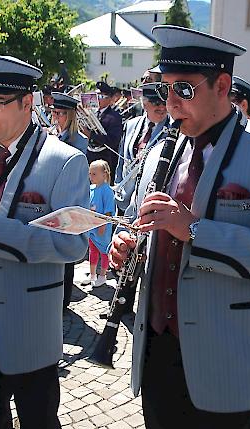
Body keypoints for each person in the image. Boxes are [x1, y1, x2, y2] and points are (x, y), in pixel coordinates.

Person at [109, 25, 250, 429]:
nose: (170, 104)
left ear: (222, 85)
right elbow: (144, 225)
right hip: (158, 351)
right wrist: (129, 244)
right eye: (164, 90)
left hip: (227, 358)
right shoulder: (159, 153)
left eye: (183, 90)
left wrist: (195, 230)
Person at [0, 53, 89, 429]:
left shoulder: (65, 160)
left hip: (30, 319)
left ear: (28, 102)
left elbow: (73, 247)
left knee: (38, 421)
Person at [49, 91, 88, 309]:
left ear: (71, 115)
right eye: (54, 112)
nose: (56, 117)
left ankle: (64, 300)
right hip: (54, 197)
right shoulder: (53, 134)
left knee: (67, 248)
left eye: (61, 113)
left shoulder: (79, 140)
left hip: (71, 199)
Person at [115, 83, 169, 213]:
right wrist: (117, 186)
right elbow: (122, 160)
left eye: (165, 102)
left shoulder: (173, 130)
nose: (162, 107)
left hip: (150, 203)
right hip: (123, 199)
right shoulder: (131, 125)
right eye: (156, 103)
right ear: (144, 104)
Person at [84, 81, 123, 181]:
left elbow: (113, 141)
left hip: (104, 159)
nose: (97, 100)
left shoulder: (115, 117)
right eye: (95, 96)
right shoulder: (90, 113)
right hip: (89, 156)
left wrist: (91, 135)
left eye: (100, 97)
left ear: (109, 99)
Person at [85, 160, 115, 288]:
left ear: (104, 174)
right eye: (90, 174)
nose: (91, 177)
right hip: (91, 226)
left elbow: (109, 211)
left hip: (102, 226)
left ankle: (102, 276)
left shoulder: (107, 191)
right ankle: (92, 275)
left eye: (94, 174)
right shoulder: (91, 188)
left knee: (104, 251)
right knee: (92, 250)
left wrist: (103, 225)